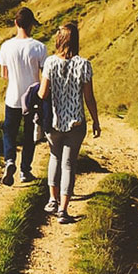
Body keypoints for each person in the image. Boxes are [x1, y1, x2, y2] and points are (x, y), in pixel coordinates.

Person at [39, 21, 100, 223]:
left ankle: (52, 199)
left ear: (59, 39)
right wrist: (96, 121)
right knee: (68, 165)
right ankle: (63, 210)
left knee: (54, 158)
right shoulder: (84, 65)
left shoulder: (49, 63)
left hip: (54, 121)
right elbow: (89, 98)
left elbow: (43, 93)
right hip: (76, 122)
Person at [0, 7, 47, 185]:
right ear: (32, 25)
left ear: (15, 23)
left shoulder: (6, 46)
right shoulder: (39, 47)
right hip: (32, 98)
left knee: (9, 132)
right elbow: (45, 75)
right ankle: (25, 170)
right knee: (28, 136)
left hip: (13, 96)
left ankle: (10, 160)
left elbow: (4, 74)